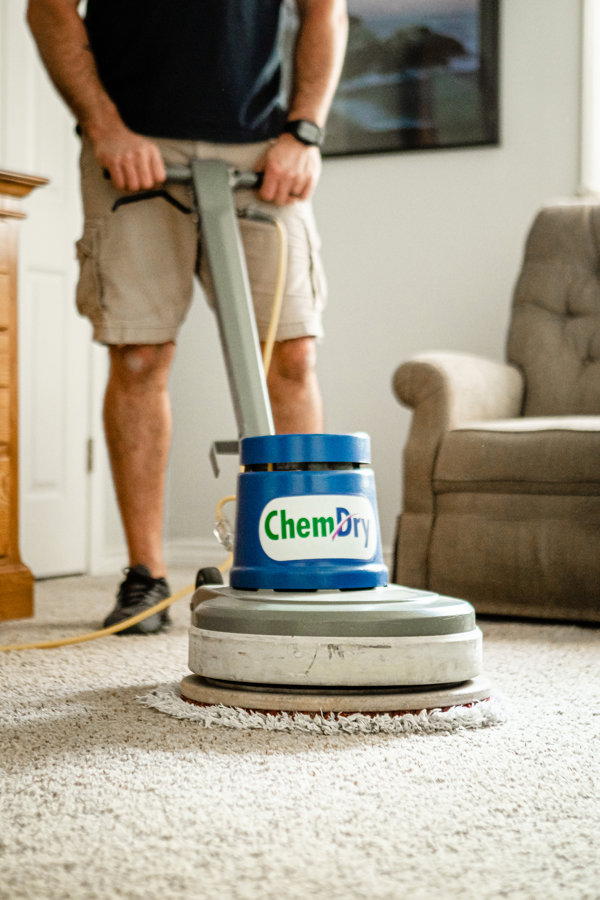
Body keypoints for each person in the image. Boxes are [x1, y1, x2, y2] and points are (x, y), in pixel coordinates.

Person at [27, 0, 349, 633]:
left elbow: (324, 10)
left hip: (263, 149)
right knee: (140, 353)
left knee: (292, 353)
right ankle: (146, 575)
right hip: (134, 142)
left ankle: (301, 562)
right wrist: (104, 128)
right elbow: (50, 10)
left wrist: (305, 130)